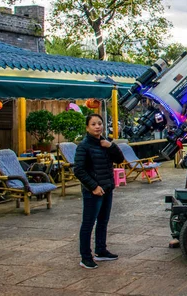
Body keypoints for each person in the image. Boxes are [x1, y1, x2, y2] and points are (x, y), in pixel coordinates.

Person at [74, 113, 124, 269]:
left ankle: (101, 251)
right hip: (93, 191)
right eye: (93, 124)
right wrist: (93, 187)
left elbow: (120, 160)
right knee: (88, 224)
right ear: (87, 127)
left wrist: (112, 146)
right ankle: (85, 257)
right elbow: (79, 170)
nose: (97, 127)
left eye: (100, 123)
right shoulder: (84, 146)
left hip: (107, 188)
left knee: (103, 221)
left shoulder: (105, 142)